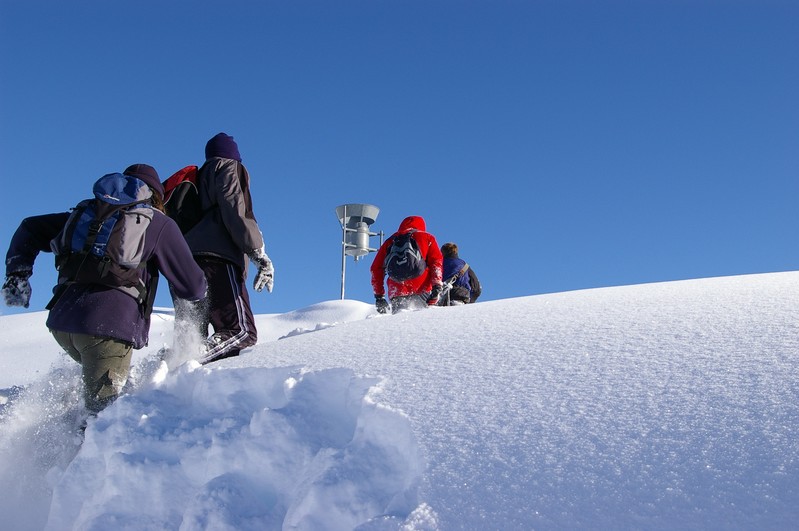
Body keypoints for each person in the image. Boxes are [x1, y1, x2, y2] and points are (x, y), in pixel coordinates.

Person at [2, 164, 207, 413]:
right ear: (156, 196)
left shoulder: (86, 214)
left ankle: (64, 423)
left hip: (62, 322)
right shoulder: (157, 223)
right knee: (103, 417)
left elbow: (29, 228)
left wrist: (17, 275)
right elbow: (193, 287)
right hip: (107, 328)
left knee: (97, 383)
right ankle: (83, 444)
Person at [177, 132, 274, 364]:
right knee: (241, 331)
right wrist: (258, 253)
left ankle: (172, 371)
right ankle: (185, 363)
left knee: (193, 335)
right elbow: (234, 210)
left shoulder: (196, 180)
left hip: (187, 262)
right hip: (218, 259)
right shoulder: (229, 167)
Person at [370, 215, 443, 314]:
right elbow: (436, 263)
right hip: (422, 289)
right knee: (424, 324)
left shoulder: (390, 241)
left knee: (401, 324)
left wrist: (379, 296)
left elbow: (376, 268)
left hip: (397, 291)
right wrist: (437, 286)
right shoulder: (427, 237)